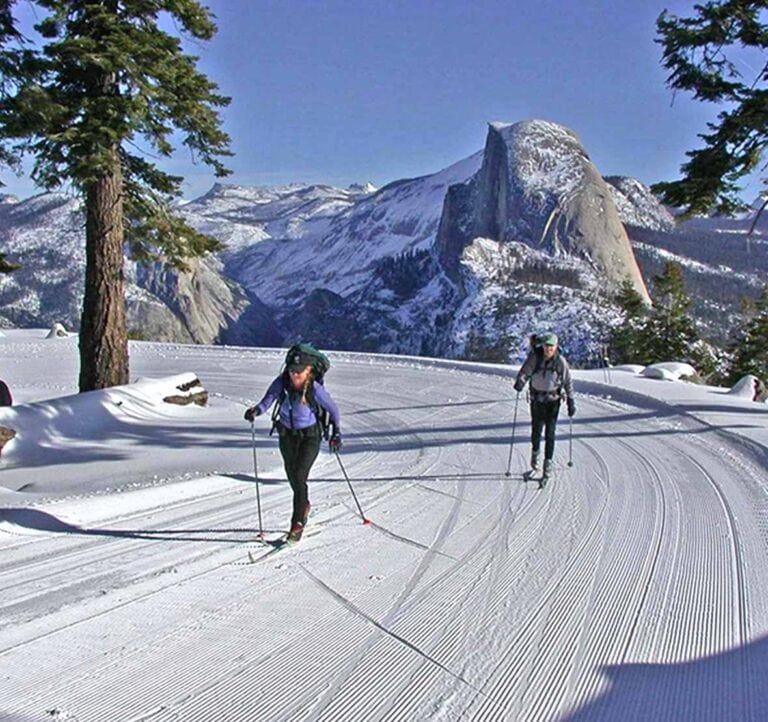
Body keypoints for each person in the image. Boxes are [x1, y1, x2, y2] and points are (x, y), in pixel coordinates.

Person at [244, 347, 342, 541]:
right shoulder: (282, 383)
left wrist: (336, 432)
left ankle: (297, 524)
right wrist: (256, 411)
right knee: (292, 475)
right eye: (292, 370)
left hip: (310, 437)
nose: (295, 374)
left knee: (299, 476)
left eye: (299, 371)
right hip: (286, 435)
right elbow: (268, 400)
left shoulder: (314, 388)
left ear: (308, 371)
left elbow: (333, 409)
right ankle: (304, 505)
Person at [513, 333, 575, 487]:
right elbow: (524, 372)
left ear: (556, 347)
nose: (548, 349)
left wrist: (571, 400)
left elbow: (567, 381)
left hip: (553, 402)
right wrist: (520, 382)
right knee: (536, 430)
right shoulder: (535, 358)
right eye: (547, 346)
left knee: (550, 433)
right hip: (536, 400)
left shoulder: (560, 361)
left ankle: (547, 465)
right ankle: (535, 457)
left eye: (551, 347)